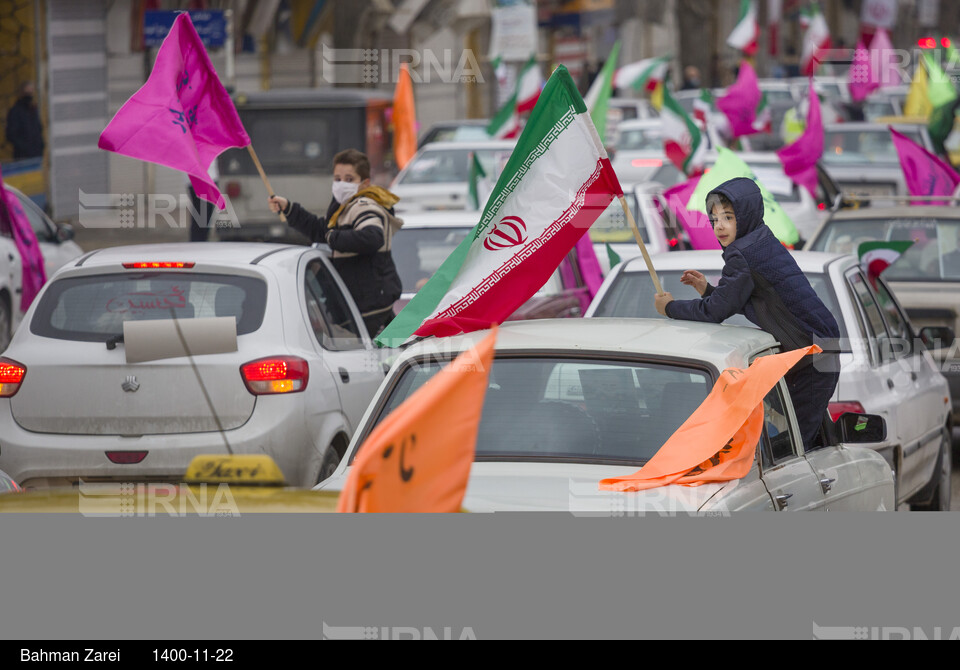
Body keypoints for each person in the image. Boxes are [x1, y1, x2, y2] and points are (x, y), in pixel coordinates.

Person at [653, 177, 841, 449]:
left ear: (745, 215)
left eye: (728, 217)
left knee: (793, 447)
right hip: (816, 350)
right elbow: (748, 297)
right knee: (800, 437)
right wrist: (707, 289)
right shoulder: (760, 241)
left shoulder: (742, 253)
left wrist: (669, 307)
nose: (720, 226)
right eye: (714, 219)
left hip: (812, 357)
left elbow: (715, 312)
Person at [268, 148, 403, 337]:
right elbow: (320, 230)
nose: (341, 184)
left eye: (349, 179)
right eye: (337, 179)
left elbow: (372, 237)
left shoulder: (363, 206)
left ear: (365, 183)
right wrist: (289, 209)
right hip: (362, 304)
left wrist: (333, 238)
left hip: (368, 306)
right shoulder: (344, 208)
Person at [5, 81, 44, 159]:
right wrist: (25, 148)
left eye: (31, 92)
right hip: (23, 156)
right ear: (21, 93)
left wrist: (41, 145)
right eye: (27, 92)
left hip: (37, 154)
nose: (30, 95)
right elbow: (11, 134)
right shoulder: (15, 111)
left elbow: (38, 128)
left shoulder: (33, 110)